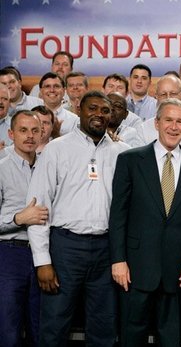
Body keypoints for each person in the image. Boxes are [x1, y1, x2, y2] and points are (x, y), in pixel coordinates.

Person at [26, 90, 130, 346]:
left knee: (104, 327)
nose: (99, 115)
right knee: (54, 324)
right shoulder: (56, 149)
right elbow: (38, 207)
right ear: (79, 112)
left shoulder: (122, 152)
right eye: (92, 108)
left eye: (105, 111)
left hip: (107, 249)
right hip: (65, 247)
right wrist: (42, 261)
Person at [109, 98, 181, 347]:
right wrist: (118, 260)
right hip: (135, 268)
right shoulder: (130, 160)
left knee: (172, 339)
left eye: (180, 122)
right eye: (169, 120)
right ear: (156, 123)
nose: (174, 127)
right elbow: (118, 214)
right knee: (131, 337)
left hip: (178, 270)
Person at [0, 110, 48, 347]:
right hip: (10, 253)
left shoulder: (49, 167)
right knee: (8, 328)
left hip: (45, 255)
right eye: (23, 130)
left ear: (42, 133)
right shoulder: (1, 167)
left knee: (41, 328)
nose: (29, 136)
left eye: (35, 130)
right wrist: (19, 218)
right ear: (11, 134)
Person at [0, 85, 12, 149]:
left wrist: (4, 152)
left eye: (4, 99)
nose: (0, 102)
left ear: (9, 102)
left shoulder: (16, 125)